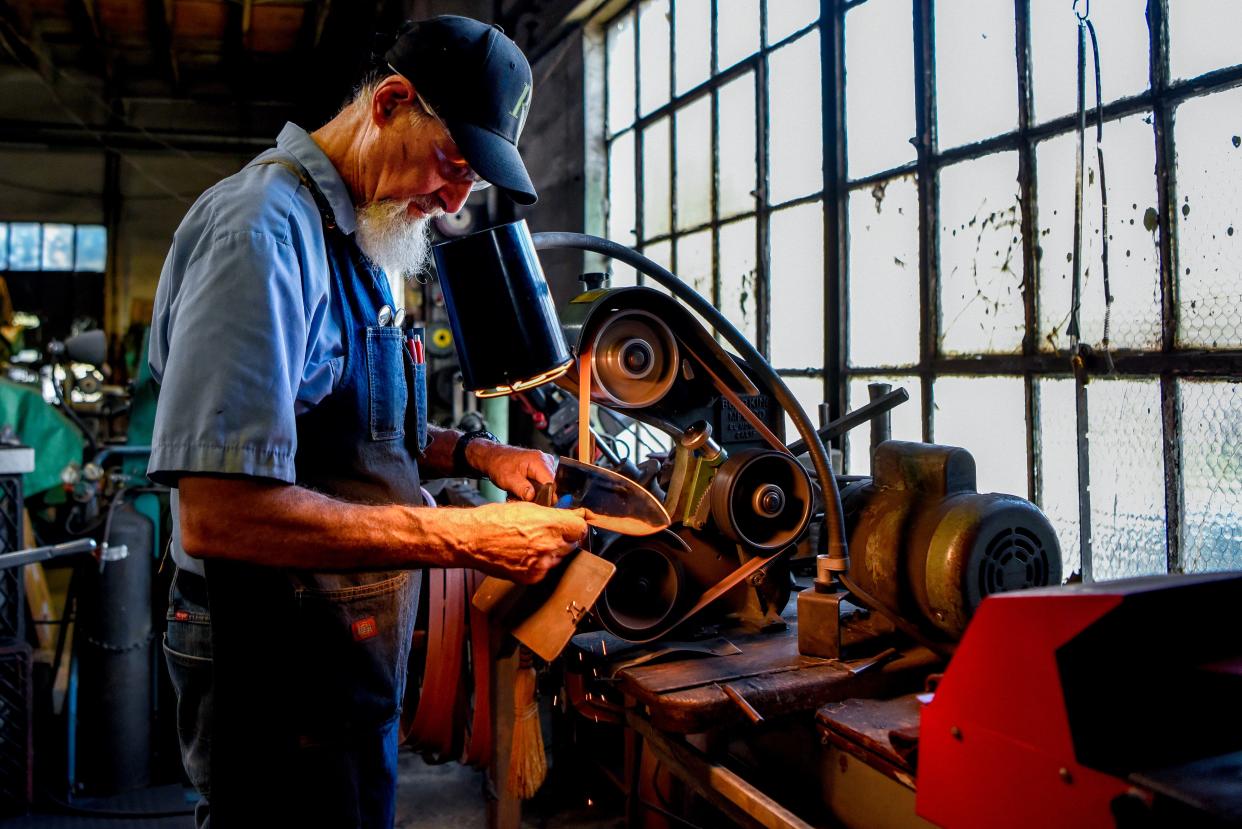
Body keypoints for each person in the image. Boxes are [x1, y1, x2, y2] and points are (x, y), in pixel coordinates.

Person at [146, 16, 587, 828]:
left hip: (344, 656)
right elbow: (218, 512)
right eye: (454, 163)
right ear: (390, 102)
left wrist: (479, 453)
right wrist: (470, 539)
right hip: (275, 659)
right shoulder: (263, 232)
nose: (456, 200)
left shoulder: (365, 236)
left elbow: (354, 429)